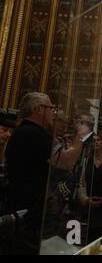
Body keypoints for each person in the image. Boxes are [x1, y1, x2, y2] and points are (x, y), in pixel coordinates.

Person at [4, 92, 56, 254]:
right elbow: (63, 163)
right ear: (39, 109)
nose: (52, 112)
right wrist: (81, 137)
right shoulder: (33, 134)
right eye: (50, 108)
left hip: (25, 207)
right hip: (28, 211)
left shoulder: (25, 131)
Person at [78, 135, 102, 243]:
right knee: (90, 235)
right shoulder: (86, 160)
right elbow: (81, 181)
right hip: (89, 203)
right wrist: (85, 199)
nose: (96, 142)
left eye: (99, 140)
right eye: (94, 141)